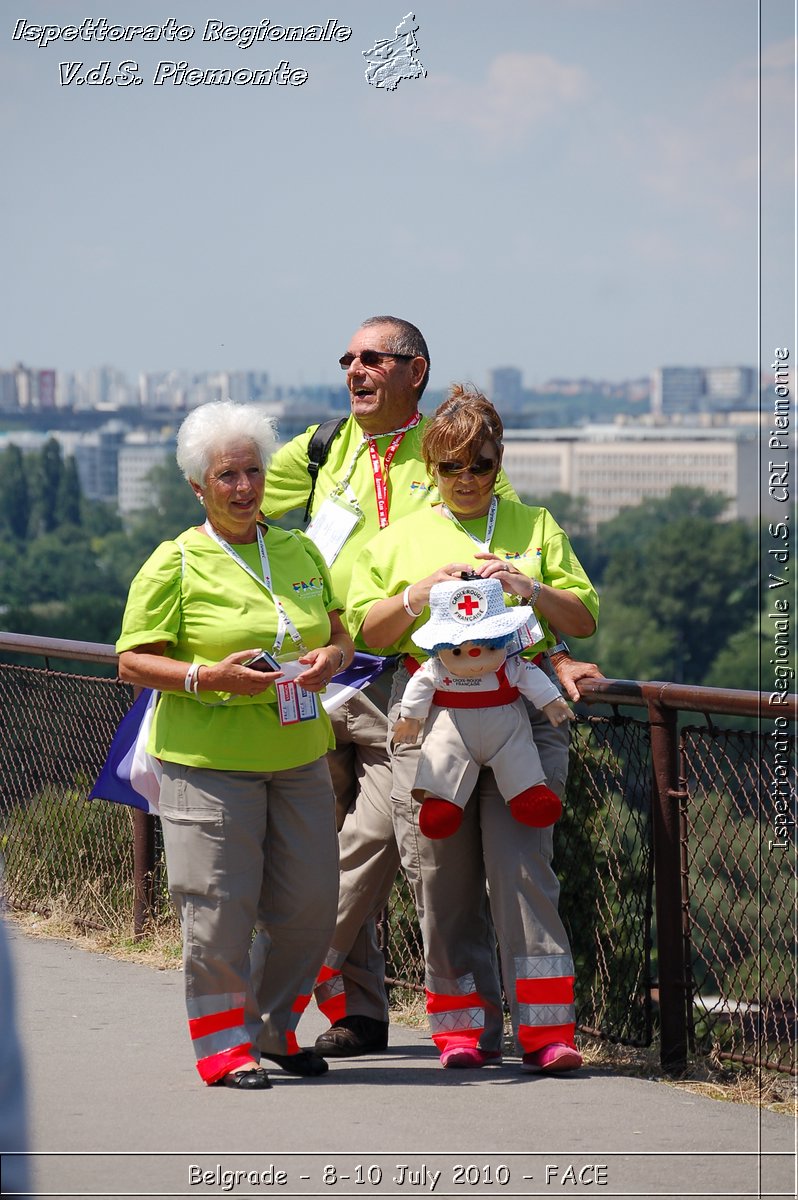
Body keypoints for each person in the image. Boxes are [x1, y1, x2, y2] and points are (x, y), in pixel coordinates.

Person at [263, 316, 601, 1058]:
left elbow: (565, 600)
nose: (466, 478)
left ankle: (543, 1033)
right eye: (347, 357)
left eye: (373, 357)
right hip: (343, 672)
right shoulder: (322, 449)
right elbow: (239, 498)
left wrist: (553, 636)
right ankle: (374, 1012)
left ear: (414, 369)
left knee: (496, 871)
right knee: (373, 861)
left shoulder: (510, 507)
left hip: (462, 699)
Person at [347, 384, 599, 1072]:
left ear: (499, 460)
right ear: (431, 468)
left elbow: (582, 620)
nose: (466, 480)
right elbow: (366, 628)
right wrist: (414, 594)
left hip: (520, 711)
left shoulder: (533, 524)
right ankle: (463, 1028)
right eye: (451, 467)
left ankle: (547, 1032)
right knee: (442, 878)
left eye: (480, 465)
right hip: (435, 721)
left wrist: (530, 589)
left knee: (525, 877)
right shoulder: (402, 538)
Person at [116, 401, 353, 1090]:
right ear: (199, 486)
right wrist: (205, 676)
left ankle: (276, 1028)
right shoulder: (175, 562)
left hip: (300, 752)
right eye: (227, 476)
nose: (245, 488)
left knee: (311, 904)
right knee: (217, 910)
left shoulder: (300, 549)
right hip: (208, 765)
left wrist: (332, 660)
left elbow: (336, 635)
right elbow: (132, 661)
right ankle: (224, 1046)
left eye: (253, 471)